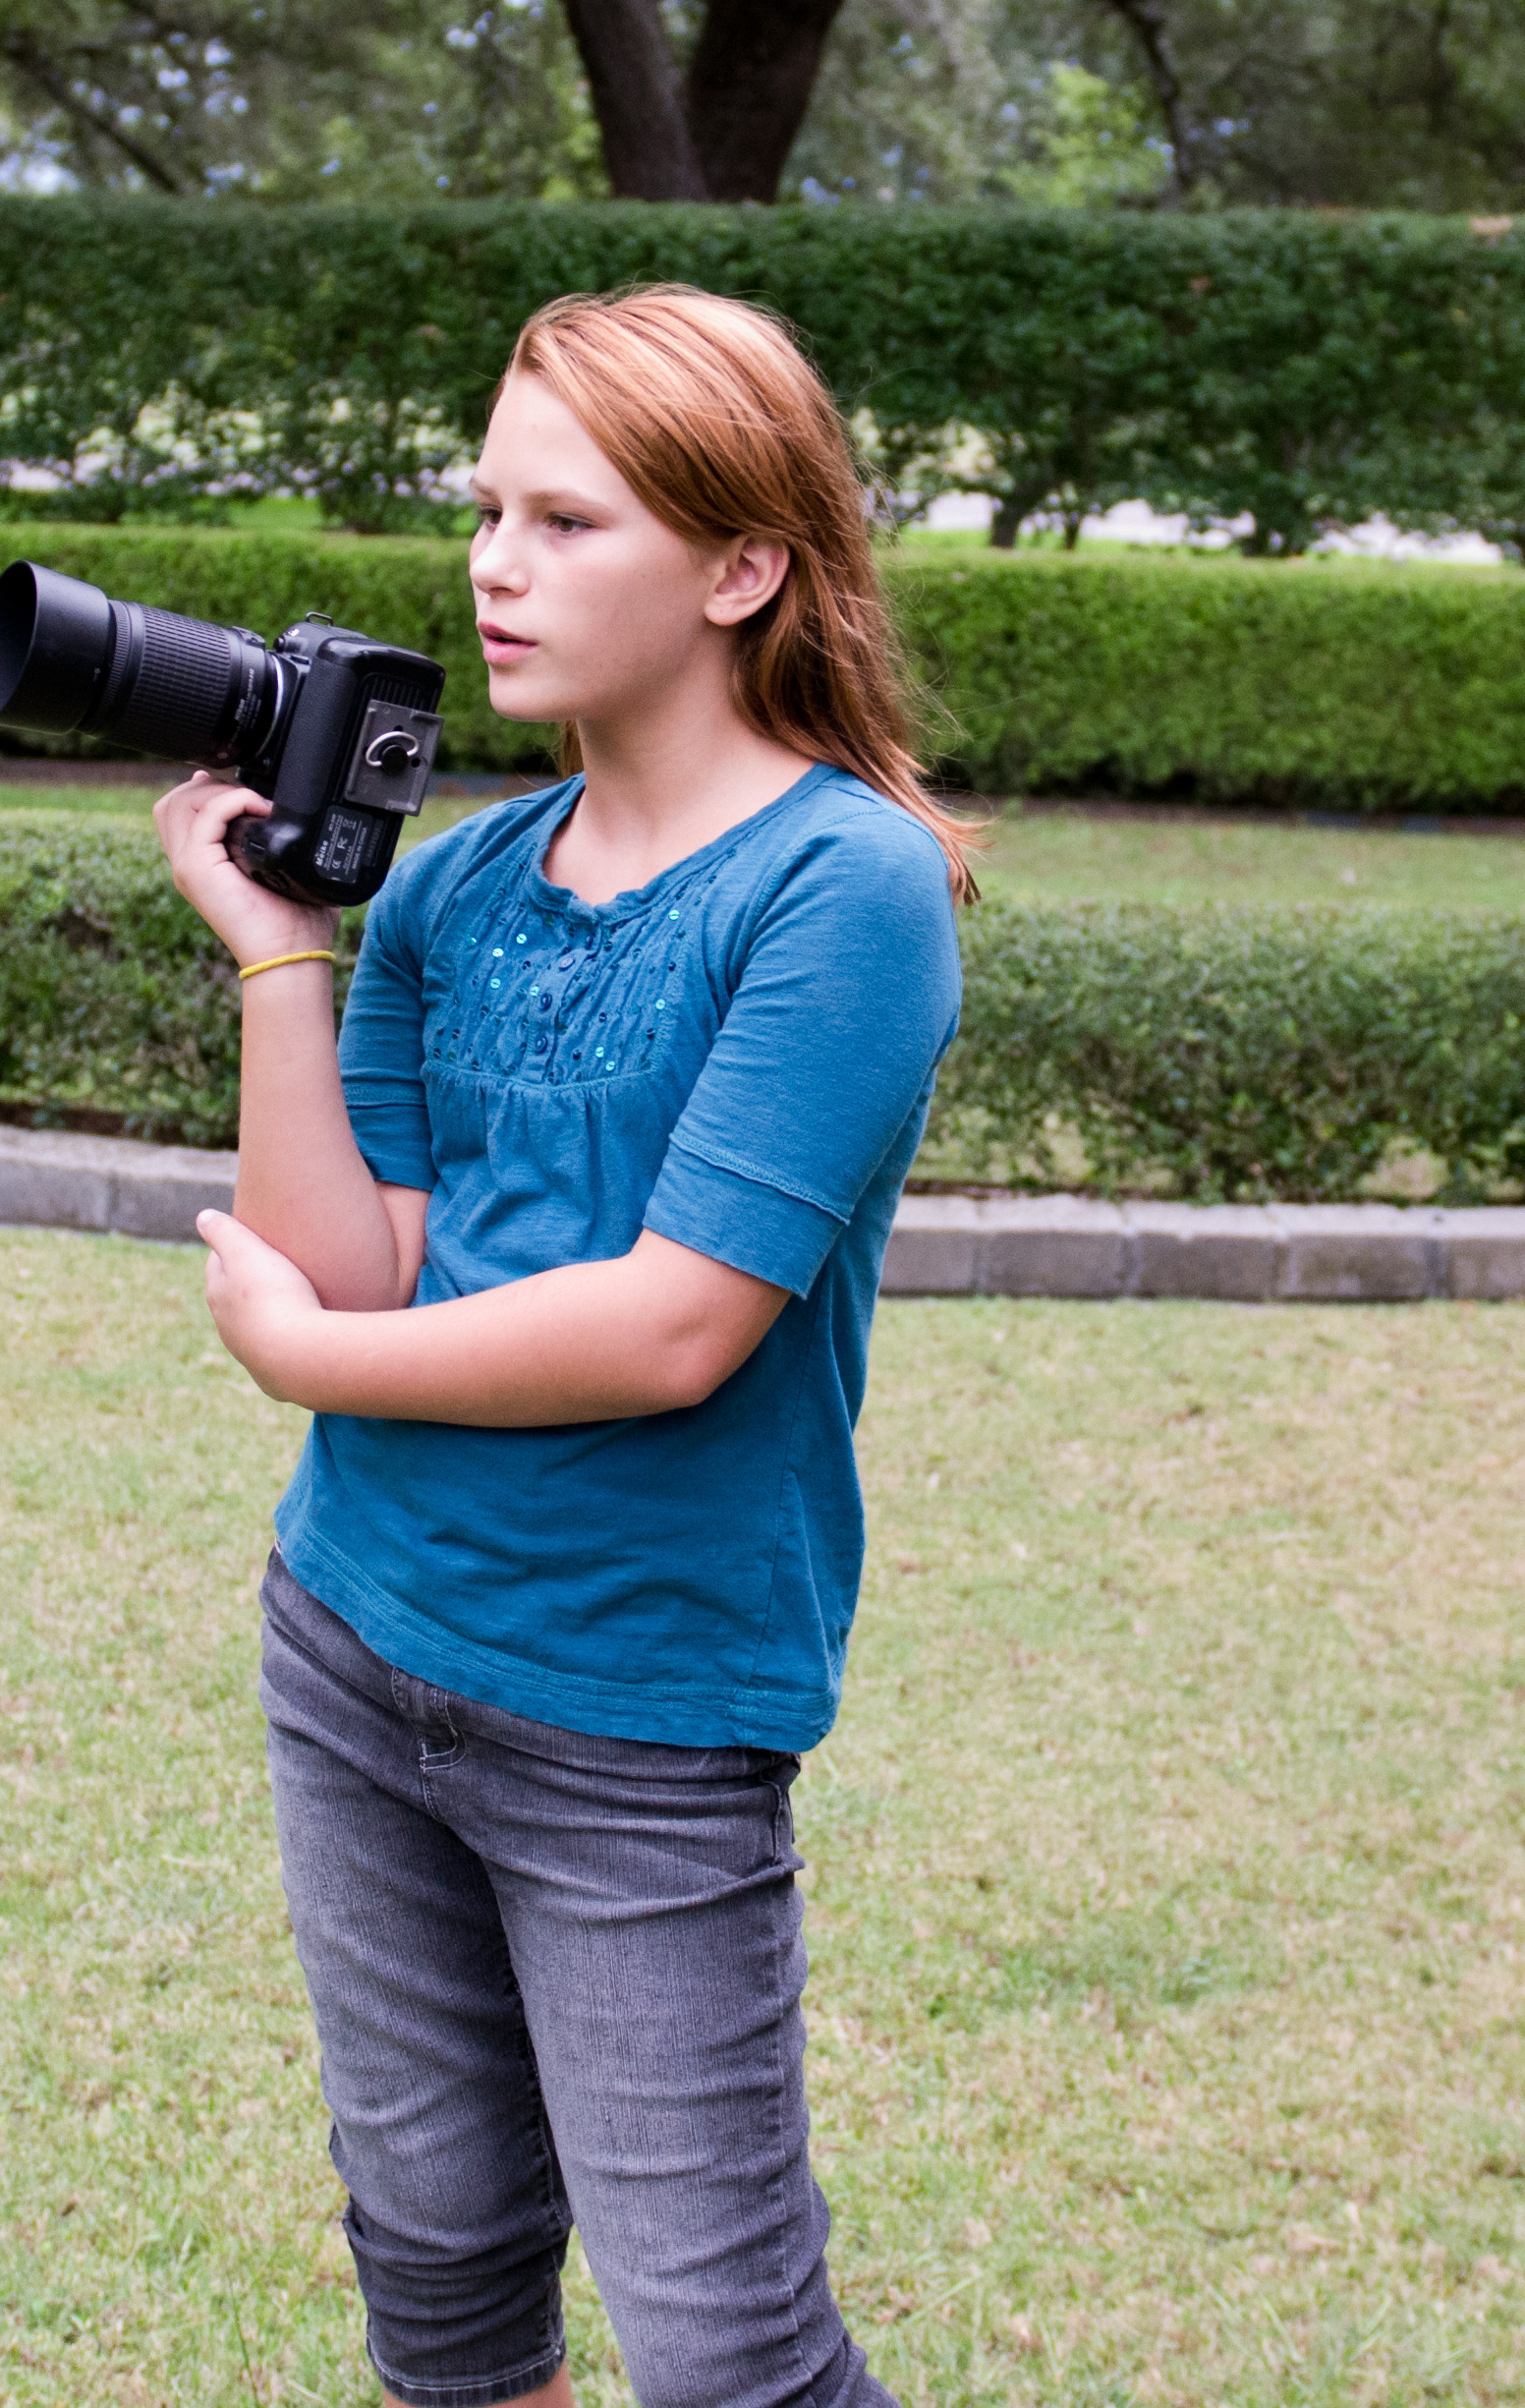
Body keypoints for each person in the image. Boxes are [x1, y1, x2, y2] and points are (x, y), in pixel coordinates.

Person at [153, 286, 975, 2408]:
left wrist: (308, 1367)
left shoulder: (843, 885)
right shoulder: (464, 887)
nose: (493, 568)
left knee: (723, 2346)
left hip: (635, 1716)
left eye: (566, 521)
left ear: (741, 564)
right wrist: (284, 958)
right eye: (487, 510)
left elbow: (682, 1321)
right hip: (355, 1645)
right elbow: (357, 1261)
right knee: (436, 2265)